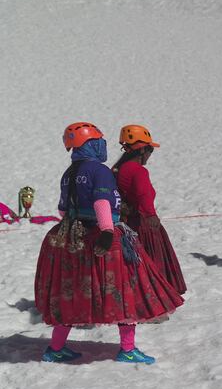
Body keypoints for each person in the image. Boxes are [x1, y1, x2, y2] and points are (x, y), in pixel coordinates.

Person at [35, 122, 184, 364]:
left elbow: (63, 209)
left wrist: (76, 227)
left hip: (70, 234)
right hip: (101, 234)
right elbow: (102, 201)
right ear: (92, 145)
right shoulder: (99, 170)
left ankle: (56, 347)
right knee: (126, 289)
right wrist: (106, 231)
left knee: (72, 291)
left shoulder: (70, 172)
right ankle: (127, 349)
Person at [113, 124, 186, 294]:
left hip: (126, 223)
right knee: (152, 262)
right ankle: (157, 295)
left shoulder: (118, 169)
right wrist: (152, 216)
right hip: (143, 223)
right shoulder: (138, 171)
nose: (150, 155)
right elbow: (143, 195)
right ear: (141, 150)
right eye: (149, 150)